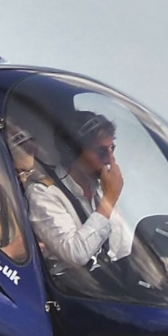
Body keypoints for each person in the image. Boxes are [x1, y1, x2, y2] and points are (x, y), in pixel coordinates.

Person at [24, 110, 132, 274]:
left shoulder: (101, 190)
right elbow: (75, 254)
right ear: (72, 152)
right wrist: (109, 200)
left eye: (112, 149)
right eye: (101, 152)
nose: (109, 160)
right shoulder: (43, 193)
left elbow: (122, 251)